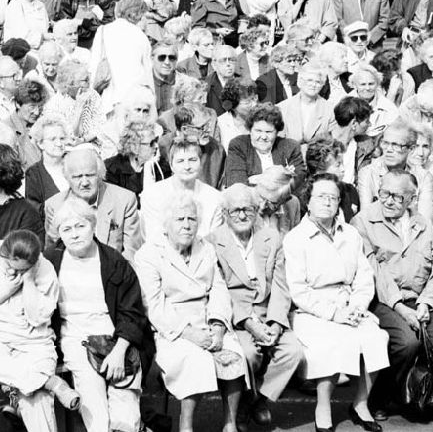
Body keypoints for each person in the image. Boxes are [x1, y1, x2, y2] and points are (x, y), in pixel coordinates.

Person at [282, 174, 389, 432]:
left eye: (333, 197)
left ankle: (360, 404)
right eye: (321, 196)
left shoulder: (351, 234)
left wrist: (357, 306)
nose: (327, 202)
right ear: (308, 201)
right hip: (312, 310)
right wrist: (333, 313)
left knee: (377, 337)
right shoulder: (295, 238)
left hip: (349, 304)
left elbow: (364, 276)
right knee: (329, 343)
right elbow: (298, 290)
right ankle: (323, 406)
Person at [135, 192, 247, 432]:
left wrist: (218, 326)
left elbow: (218, 289)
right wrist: (190, 334)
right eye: (180, 219)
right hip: (172, 330)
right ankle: (186, 427)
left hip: (207, 320)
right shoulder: (149, 253)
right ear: (166, 224)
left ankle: (230, 424)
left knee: (235, 356)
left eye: (192, 219)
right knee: (194, 360)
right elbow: (154, 306)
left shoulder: (205, 248)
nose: (187, 225)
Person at [352, 169, 433, 418]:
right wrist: (399, 306)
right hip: (384, 300)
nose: (388, 200)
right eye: (384, 193)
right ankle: (381, 398)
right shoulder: (363, 221)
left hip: (420, 299)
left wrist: (426, 303)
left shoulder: (423, 223)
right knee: (406, 343)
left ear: (412, 198)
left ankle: (422, 394)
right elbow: (373, 271)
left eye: (397, 196)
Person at [45, 199, 148, 432]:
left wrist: (119, 351)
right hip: (75, 340)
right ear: (59, 233)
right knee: (96, 412)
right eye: (66, 229)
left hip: (117, 338)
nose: (74, 234)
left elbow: (132, 311)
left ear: (92, 225)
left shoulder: (113, 261)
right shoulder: (51, 261)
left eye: (80, 226)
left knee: (125, 418)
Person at [207, 184, 303, 427]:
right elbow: (218, 291)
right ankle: (242, 404)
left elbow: (281, 287)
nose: (241, 216)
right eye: (235, 211)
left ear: (257, 210)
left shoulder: (272, 238)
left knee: (293, 352)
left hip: (268, 311)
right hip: (237, 316)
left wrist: (275, 324)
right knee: (248, 355)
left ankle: (256, 398)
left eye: (247, 210)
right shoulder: (212, 242)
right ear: (225, 213)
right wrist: (249, 323)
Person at [0, 230, 78, 431]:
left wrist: (28, 282)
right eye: (10, 267)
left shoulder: (44, 269)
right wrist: (7, 290)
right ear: (4, 255)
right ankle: (50, 382)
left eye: (22, 270)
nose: (13, 273)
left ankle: (32, 389)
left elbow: (37, 318)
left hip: (34, 339)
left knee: (37, 397)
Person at [44, 147, 142, 259]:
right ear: (67, 178)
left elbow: (131, 254)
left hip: (114, 272)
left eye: (90, 175)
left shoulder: (124, 200)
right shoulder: (55, 206)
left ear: (100, 174)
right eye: (77, 177)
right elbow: (53, 256)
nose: (85, 182)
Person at [139, 135, 225, 243]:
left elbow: (213, 242)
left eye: (192, 160)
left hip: (203, 255)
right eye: (180, 161)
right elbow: (154, 240)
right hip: (162, 256)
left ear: (200, 162)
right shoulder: (152, 195)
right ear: (171, 165)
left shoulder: (214, 197)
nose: (187, 166)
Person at [225, 102, 306, 190]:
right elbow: (237, 186)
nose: (263, 137)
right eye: (258, 131)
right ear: (250, 129)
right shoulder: (239, 145)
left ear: (277, 132)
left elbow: (298, 184)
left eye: (269, 132)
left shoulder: (290, 147)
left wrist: (255, 179)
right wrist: (281, 176)